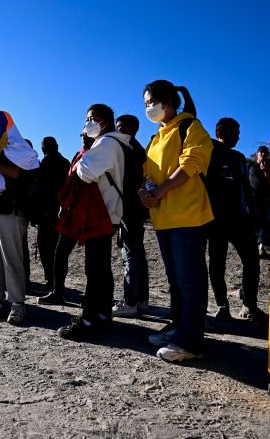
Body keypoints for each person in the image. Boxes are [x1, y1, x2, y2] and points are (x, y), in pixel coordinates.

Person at [139, 80, 213, 362]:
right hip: (163, 218)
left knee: (190, 279)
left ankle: (190, 341)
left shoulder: (190, 126)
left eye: (151, 102)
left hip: (188, 214)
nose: (148, 108)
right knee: (175, 279)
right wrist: (144, 190)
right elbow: (147, 170)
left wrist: (161, 190)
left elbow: (192, 162)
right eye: (145, 103)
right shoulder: (156, 137)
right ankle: (178, 327)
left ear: (168, 101)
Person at [57, 104, 130, 340]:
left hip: (101, 214)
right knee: (102, 269)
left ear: (106, 122)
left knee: (95, 270)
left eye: (93, 118)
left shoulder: (107, 143)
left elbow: (85, 173)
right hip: (108, 213)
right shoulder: (114, 143)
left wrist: (83, 156)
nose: (88, 122)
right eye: (87, 118)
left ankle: (88, 320)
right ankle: (103, 315)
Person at [0, 110, 40, 325]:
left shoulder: (20, 147)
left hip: (12, 208)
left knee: (11, 258)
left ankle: (17, 303)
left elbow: (15, 173)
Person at [206, 118, 267, 322]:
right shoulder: (208, 151)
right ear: (222, 132)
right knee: (217, 263)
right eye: (236, 132)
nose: (239, 136)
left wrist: (253, 213)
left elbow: (246, 187)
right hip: (215, 219)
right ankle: (222, 306)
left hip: (240, 219)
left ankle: (249, 305)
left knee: (251, 260)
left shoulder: (240, 158)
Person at [38, 132, 94, 305]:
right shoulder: (71, 159)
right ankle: (57, 289)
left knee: (58, 250)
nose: (84, 137)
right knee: (59, 251)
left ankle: (56, 287)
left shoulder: (92, 157)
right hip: (67, 211)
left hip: (80, 211)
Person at [111, 114, 151, 318]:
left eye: (119, 127)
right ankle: (142, 299)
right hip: (136, 208)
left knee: (130, 254)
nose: (117, 131)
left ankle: (130, 301)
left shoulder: (127, 150)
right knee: (138, 253)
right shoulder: (139, 149)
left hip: (129, 208)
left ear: (130, 128)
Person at [37, 136, 70, 289]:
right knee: (56, 248)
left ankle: (51, 280)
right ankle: (55, 281)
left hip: (47, 212)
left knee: (47, 247)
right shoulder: (66, 163)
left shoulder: (44, 164)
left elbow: (40, 190)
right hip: (60, 212)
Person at [249, 146, 270, 257]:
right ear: (257, 154)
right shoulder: (251, 166)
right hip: (251, 198)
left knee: (263, 222)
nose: (263, 154)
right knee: (251, 221)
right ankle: (251, 245)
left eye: (266, 153)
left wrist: (266, 172)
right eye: (261, 152)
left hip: (265, 198)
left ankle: (261, 246)